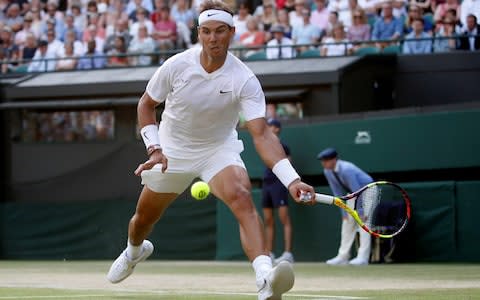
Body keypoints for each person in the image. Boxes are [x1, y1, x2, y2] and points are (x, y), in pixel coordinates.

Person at [106, 2, 316, 300]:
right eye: (206, 32)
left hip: (218, 149)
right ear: (198, 34)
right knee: (143, 219)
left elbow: (262, 134)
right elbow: (146, 105)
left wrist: (291, 179)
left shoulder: (244, 79)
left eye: (219, 32)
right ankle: (133, 252)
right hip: (171, 150)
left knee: (242, 197)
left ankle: (265, 278)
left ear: (232, 32)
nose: (213, 38)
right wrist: (154, 148)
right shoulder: (177, 65)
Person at [317, 147, 373, 266]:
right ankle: (343, 256)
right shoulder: (327, 171)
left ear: (334, 160)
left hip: (368, 192)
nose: (323, 163)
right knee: (347, 223)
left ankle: (363, 257)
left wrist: (361, 211)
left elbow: (358, 190)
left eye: (326, 160)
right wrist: (344, 213)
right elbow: (337, 193)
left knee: (364, 224)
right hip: (353, 194)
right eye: (322, 160)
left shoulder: (347, 169)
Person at [262, 118, 295, 265]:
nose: (269, 129)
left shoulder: (284, 146)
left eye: (271, 126)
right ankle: (270, 253)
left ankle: (288, 254)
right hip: (267, 184)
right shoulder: (264, 144)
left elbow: (288, 166)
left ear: (276, 129)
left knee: (284, 219)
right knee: (268, 220)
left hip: (279, 184)